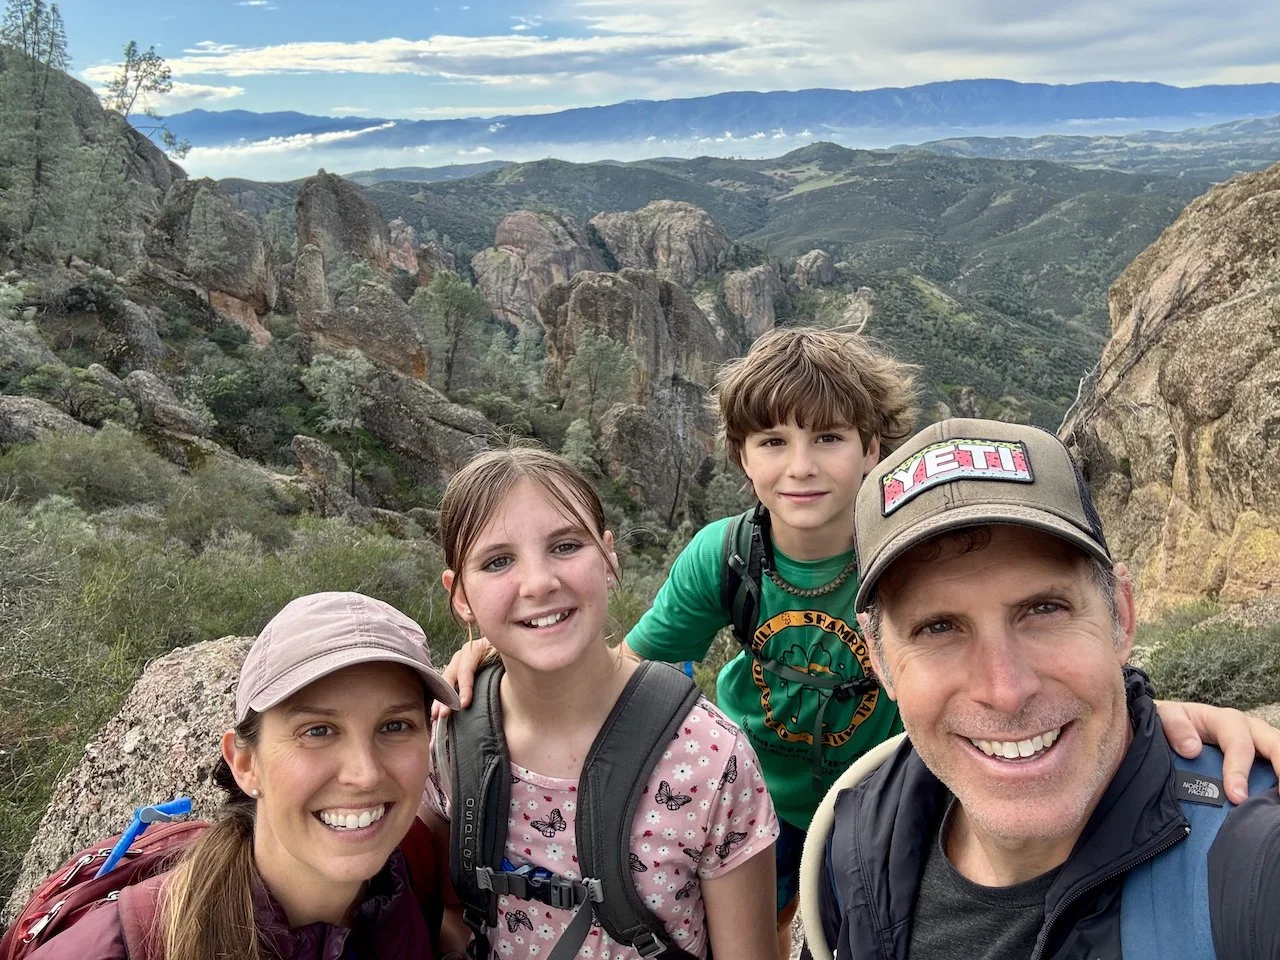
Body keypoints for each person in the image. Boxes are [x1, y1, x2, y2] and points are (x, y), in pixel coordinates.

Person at [437, 327, 1280, 960]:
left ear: (872, 449)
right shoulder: (727, 558)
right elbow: (631, 663)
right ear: (741, 458)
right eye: (773, 442)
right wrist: (511, 664)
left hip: (884, 800)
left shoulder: (902, 557)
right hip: (756, 806)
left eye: (829, 439)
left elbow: (1067, 682)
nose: (801, 467)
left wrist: (1153, 720)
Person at [804, 418, 1280, 960]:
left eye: (1044, 609)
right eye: (938, 628)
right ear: (881, 660)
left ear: (1121, 617)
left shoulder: (1250, 864)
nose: (1005, 691)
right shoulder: (856, 849)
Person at [422, 447, 779, 960]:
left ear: (609, 558)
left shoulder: (710, 757)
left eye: (566, 546)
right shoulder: (448, 738)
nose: (539, 583)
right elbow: (449, 916)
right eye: (498, 561)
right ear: (460, 597)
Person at [29, 591, 463, 960]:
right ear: (245, 764)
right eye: (317, 731)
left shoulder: (408, 870)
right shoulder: (112, 949)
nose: (365, 774)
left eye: (395, 726)